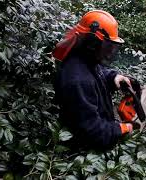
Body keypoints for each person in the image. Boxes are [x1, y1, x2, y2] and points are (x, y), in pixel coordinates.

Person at [53, 10, 134, 150]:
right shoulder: (77, 80)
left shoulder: (83, 58)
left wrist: (113, 77)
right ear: (92, 43)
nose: (110, 52)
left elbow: (97, 71)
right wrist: (122, 128)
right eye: (107, 46)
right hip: (83, 153)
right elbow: (92, 132)